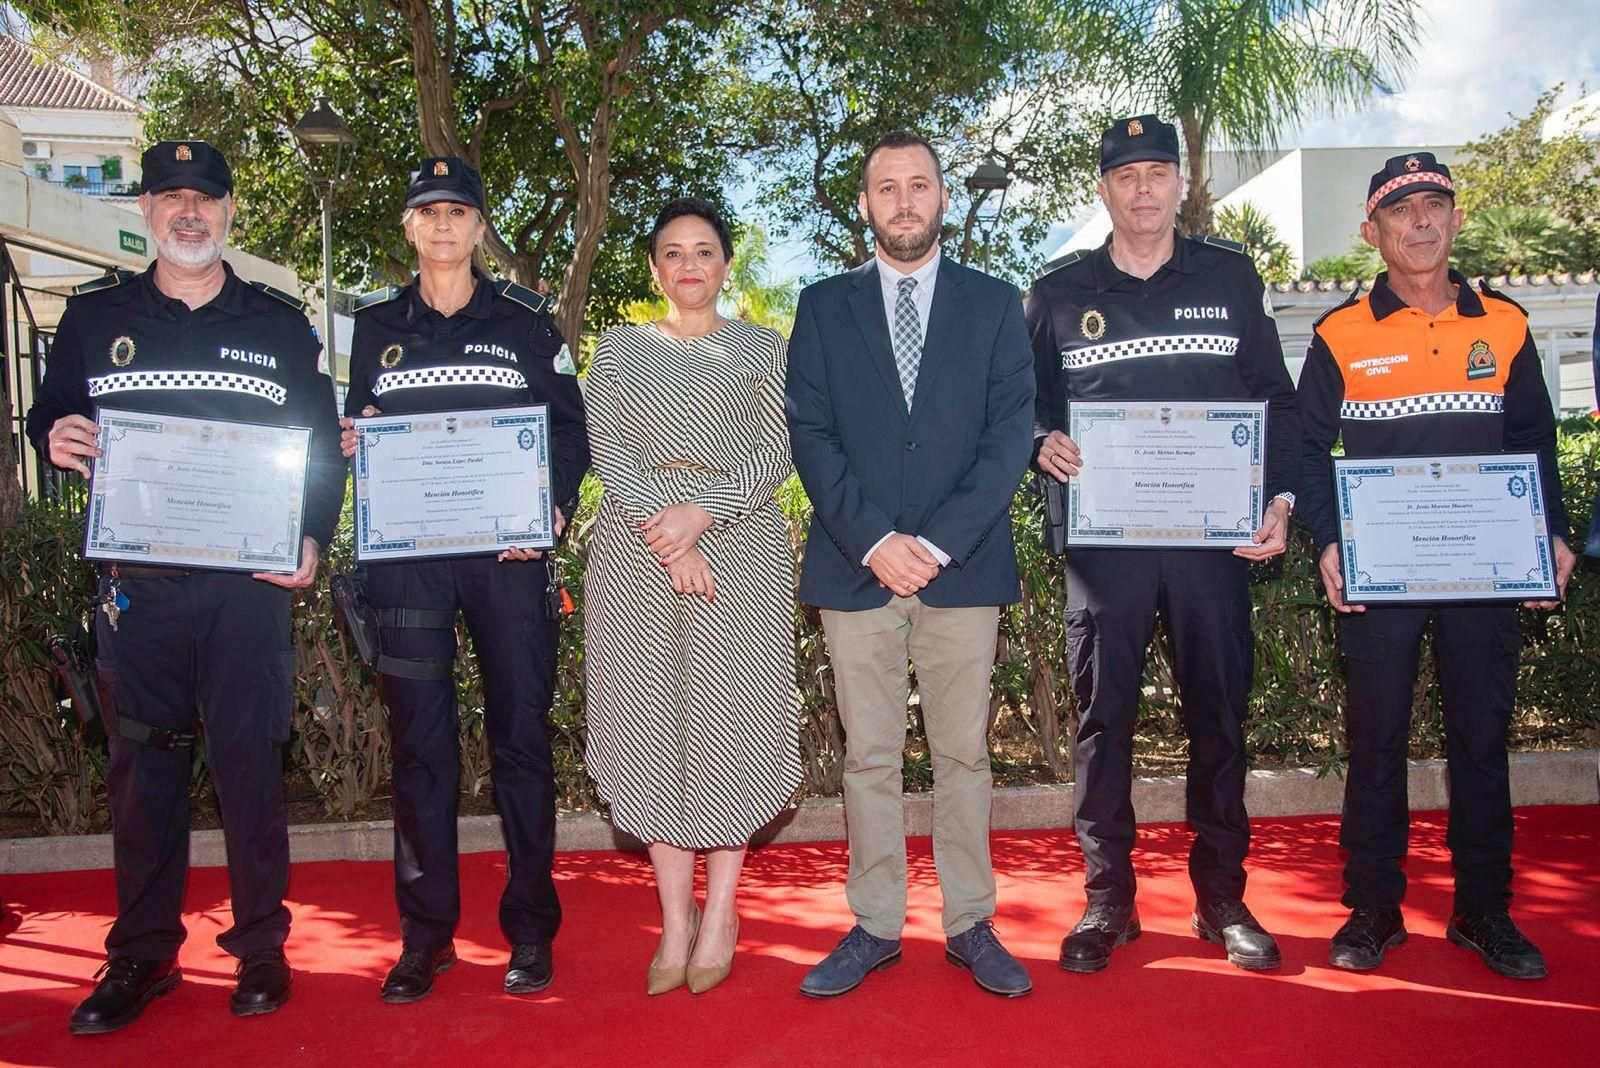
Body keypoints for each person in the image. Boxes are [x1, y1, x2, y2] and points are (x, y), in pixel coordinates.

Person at [26, 140, 345, 1033]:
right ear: (146, 213)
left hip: (249, 584)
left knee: (251, 763)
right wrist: (56, 433)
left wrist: (313, 536)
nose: (189, 214)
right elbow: (51, 410)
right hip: (140, 585)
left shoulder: (281, 325)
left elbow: (319, 447)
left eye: (205, 199)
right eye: (171, 198)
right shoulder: (92, 321)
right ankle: (142, 956)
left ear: (230, 213)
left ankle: (260, 950)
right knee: (142, 771)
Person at [1026, 115, 1300, 974]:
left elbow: (1278, 404)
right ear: (1102, 189)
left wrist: (1281, 501)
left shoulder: (1232, 278)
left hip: (1213, 550)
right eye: (1125, 176)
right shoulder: (1058, 293)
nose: (1143, 189)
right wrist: (1041, 440)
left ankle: (1222, 900)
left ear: (1180, 184)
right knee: (1104, 724)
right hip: (1104, 551)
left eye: (1158, 173)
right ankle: (1109, 901)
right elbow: (1021, 408)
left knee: (1218, 717)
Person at [1297, 152, 1576, 980]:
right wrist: (1328, 540)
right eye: (1401, 210)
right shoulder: (1338, 333)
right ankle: (1375, 906)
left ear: (1455, 221)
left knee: (1482, 741)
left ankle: (1484, 910)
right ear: (1372, 233)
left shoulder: (1508, 325)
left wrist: (1550, 534)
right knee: (1375, 740)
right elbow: (1309, 451)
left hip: (1486, 572)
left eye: (1434, 206)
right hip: (1383, 573)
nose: (1419, 222)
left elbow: (1533, 442)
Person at [786, 131, 1036, 999]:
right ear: (864, 203)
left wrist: (932, 545)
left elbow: (1010, 440)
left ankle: (970, 922)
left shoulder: (998, 305)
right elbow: (809, 436)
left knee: (964, 755)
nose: (903, 201)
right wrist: (874, 541)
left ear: (941, 198)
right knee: (870, 757)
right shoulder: (822, 306)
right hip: (858, 568)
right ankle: (875, 926)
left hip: (961, 569)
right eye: (885, 187)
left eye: (918, 184)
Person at [338, 157, 589, 1002]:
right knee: (420, 751)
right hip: (407, 566)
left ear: (481, 228)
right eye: (427, 212)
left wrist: (546, 510)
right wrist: (350, 443)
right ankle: (425, 937)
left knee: (521, 742)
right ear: (408, 228)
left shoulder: (524, 320)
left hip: (508, 565)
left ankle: (529, 932)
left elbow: (570, 433)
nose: (443, 226)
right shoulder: (373, 328)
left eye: (459, 212)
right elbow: (358, 430)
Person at [582, 197, 802, 996]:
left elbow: (780, 445)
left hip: (738, 550)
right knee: (654, 729)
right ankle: (673, 921)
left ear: (726, 264)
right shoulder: (618, 349)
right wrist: (669, 535)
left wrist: (704, 515)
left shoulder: (762, 348)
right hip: (638, 558)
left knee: (728, 723)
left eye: (703, 251)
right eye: (672, 253)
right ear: (654, 269)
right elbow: (608, 444)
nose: (689, 266)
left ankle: (721, 914)